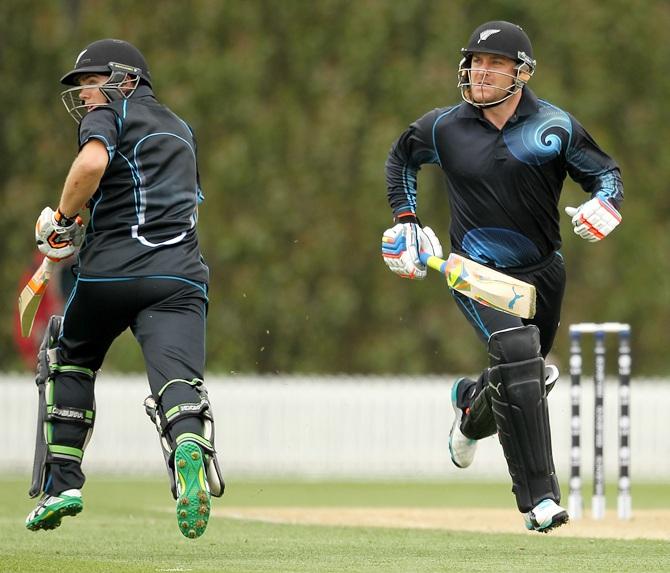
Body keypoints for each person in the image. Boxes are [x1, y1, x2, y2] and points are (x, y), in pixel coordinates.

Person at [381, 21, 623, 532]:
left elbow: (606, 174)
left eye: (494, 63)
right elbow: (401, 158)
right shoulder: (443, 127)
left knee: (523, 374)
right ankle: (539, 502)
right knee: (517, 353)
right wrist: (406, 221)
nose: (480, 72)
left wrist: (607, 204)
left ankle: (471, 407)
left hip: (543, 274)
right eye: (474, 61)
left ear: (522, 72)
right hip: (474, 270)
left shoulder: (555, 127)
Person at [25, 39, 224, 539]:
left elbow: (92, 166)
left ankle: (62, 484)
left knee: (68, 356)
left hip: (109, 274)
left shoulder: (110, 114)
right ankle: (186, 448)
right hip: (179, 278)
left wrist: (64, 222)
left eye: (92, 84)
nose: (87, 96)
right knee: (178, 385)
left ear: (126, 80)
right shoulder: (182, 128)